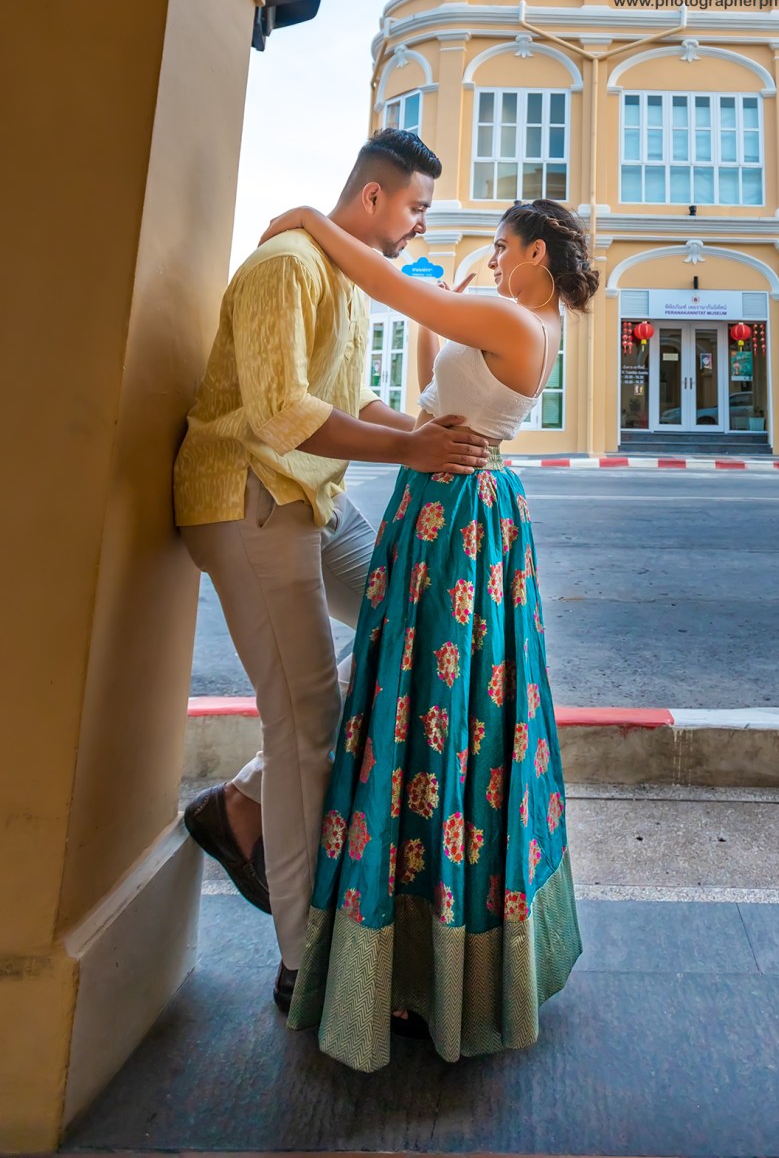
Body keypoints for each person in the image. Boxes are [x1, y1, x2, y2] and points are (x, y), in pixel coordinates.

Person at [256, 195, 597, 1069]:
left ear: (531, 251)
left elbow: (389, 286)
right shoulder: (525, 319)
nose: (490, 254)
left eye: (500, 243)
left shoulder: (508, 316)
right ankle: (432, 954)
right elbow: (432, 372)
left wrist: (308, 220)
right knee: (440, 704)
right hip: (460, 510)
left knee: (424, 705)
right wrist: (458, 295)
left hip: (450, 518)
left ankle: (411, 960)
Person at [173, 129, 489, 1014]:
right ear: (375, 198)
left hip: (311, 496)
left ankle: (237, 805)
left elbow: (348, 400)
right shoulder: (287, 265)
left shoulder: (344, 277)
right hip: (250, 497)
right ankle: (306, 960)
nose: (419, 228)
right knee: (308, 724)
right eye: (416, 209)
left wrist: (432, 444)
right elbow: (281, 415)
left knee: (414, 627)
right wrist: (405, 446)